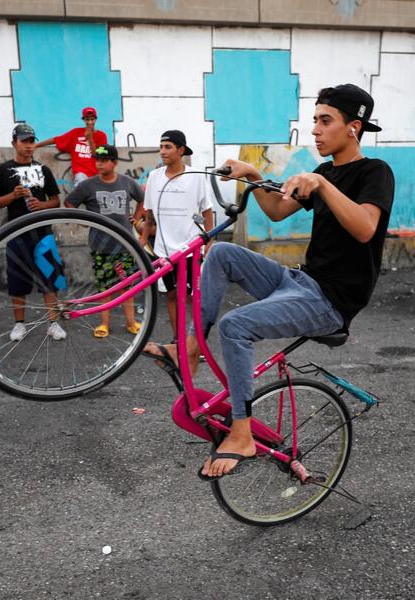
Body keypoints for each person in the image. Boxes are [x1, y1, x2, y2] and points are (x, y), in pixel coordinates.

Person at [144, 84, 394, 480]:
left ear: (353, 127)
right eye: (314, 120)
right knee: (222, 253)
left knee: (235, 325)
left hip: (330, 301)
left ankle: (241, 431)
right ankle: (188, 349)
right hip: (301, 281)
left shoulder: (374, 172)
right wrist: (254, 176)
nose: (315, 129)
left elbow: (365, 228)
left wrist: (322, 185)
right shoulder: (325, 172)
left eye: (325, 121)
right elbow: (277, 209)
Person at [0, 123, 67, 342]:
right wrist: (12, 196)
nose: (29, 146)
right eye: (24, 141)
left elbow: (55, 200)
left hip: (43, 233)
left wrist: (42, 206)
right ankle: (19, 325)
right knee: (17, 281)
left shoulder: (44, 169)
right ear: (14, 143)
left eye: (31, 141)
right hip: (16, 233)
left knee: (49, 279)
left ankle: (53, 323)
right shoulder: (3, 170)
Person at [64, 144, 146, 338]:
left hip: (125, 245)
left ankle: (131, 322)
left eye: (104, 160)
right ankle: (104, 324)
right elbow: (69, 203)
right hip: (100, 245)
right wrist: (82, 220)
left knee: (126, 285)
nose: (99, 164)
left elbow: (143, 199)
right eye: (97, 160)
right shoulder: (87, 185)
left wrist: (136, 217)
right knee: (105, 287)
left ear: (114, 162)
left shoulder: (127, 182)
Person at [140, 130, 213, 341]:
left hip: (190, 250)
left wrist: (209, 240)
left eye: (168, 147)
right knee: (171, 295)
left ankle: (195, 341)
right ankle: (178, 339)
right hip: (163, 251)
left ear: (181, 150)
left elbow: (207, 211)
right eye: (161, 147)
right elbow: (149, 214)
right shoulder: (154, 177)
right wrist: (143, 240)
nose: (162, 151)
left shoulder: (196, 177)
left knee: (192, 297)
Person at [35, 107, 108, 188]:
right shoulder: (75, 133)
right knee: (81, 187)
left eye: (92, 119)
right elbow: (56, 139)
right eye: (87, 119)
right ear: (84, 120)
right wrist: (37, 145)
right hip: (81, 174)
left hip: (97, 175)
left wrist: (90, 139)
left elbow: (97, 156)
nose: (90, 122)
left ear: (96, 120)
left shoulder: (102, 136)